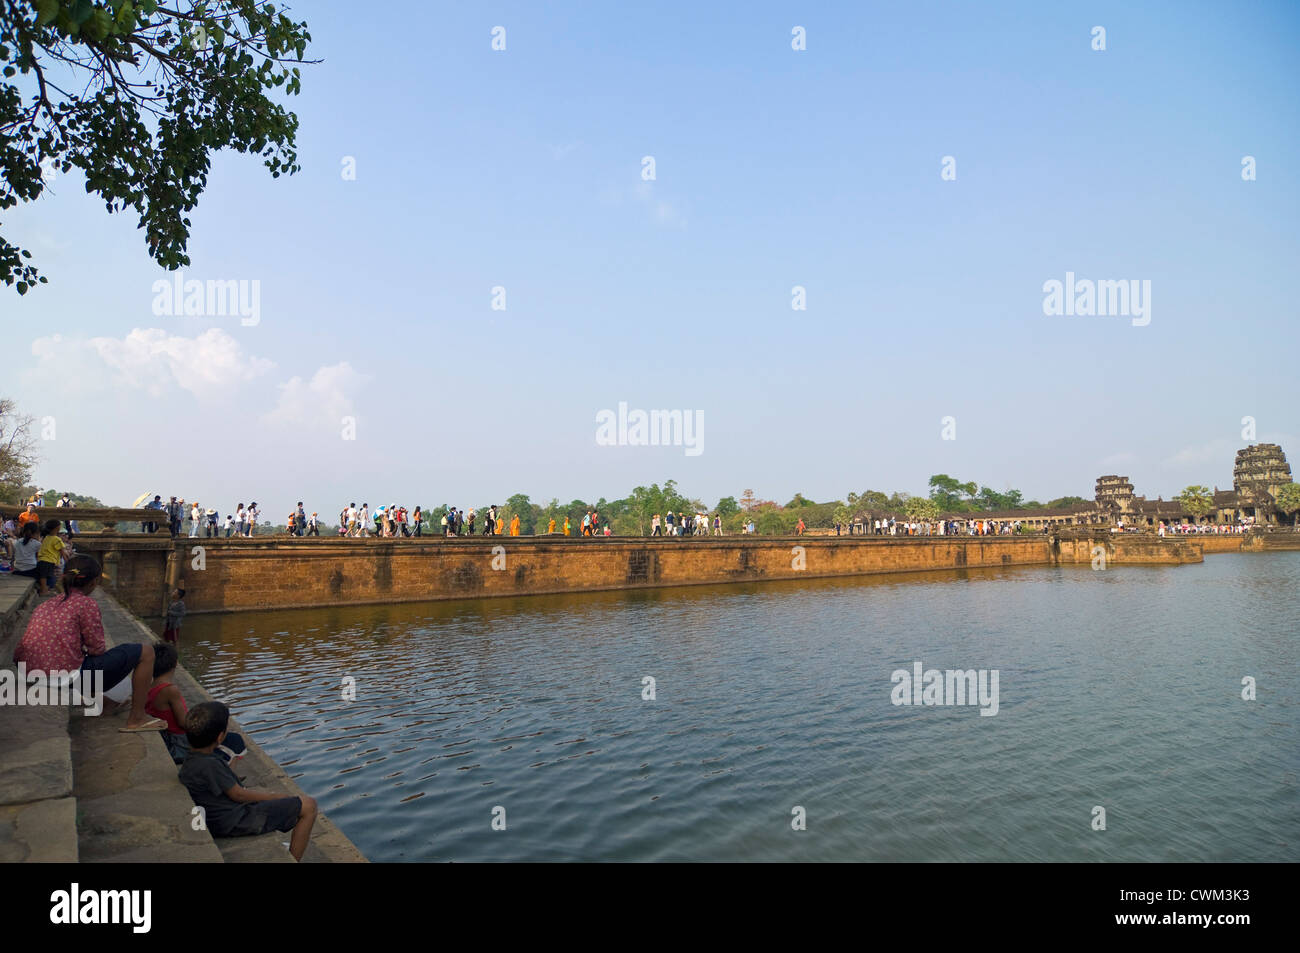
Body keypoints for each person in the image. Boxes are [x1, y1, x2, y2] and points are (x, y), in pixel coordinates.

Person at [13, 554, 165, 732]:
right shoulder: (86, 604)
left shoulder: (45, 605)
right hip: (60, 678)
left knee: (78, 660)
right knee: (146, 652)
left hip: (29, 674)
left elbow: (19, 653)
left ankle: (104, 702)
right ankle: (137, 719)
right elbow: (97, 649)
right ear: (93, 583)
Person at [178, 701, 317, 861]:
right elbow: (239, 795)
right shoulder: (211, 765)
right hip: (234, 821)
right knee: (309, 806)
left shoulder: (191, 760)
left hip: (217, 817)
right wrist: (276, 797)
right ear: (220, 737)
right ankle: (293, 858)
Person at [146, 644, 247, 766]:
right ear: (175, 663)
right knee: (235, 740)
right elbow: (183, 723)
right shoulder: (170, 690)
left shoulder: (149, 686)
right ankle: (227, 778)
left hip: (167, 736)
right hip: (179, 741)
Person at [36, 520, 67, 596]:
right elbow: (62, 552)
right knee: (44, 576)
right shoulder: (57, 539)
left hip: (42, 560)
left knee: (44, 576)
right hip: (48, 560)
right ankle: (44, 590)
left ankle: (45, 589)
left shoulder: (46, 537)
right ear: (57, 528)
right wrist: (67, 561)